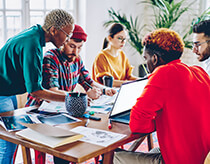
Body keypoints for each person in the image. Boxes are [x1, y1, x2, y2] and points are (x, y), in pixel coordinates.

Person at [114, 28, 210, 164]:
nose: (146, 64)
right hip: (203, 156)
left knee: (113, 156)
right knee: (151, 152)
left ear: (154, 59)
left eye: (146, 58)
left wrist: (158, 120)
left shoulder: (163, 73)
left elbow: (137, 124)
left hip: (181, 160)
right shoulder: (199, 72)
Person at [26, 24, 116, 164]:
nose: (75, 52)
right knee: (65, 145)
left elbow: (88, 81)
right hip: (41, 112)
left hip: (64, 111)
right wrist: (83, 97)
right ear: (63, 41)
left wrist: (105, 90)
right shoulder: (51, 58)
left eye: (79, 48)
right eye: (72, 46)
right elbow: (53, 92)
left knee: (94, 133)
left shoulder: (77, 59)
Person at [0, 9, 75, 164]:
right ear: (54, 30)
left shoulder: (34, 33)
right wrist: (70, 98)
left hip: (7, 89)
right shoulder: (33, 44)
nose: (68, 40)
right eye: (67, 35)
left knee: (13, 139)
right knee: (8, 144)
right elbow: (36, 91)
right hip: (2, 92)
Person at [92, 23, 138, 87]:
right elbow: (108, 83)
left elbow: (129, 76)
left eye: (124, 39)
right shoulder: (101, 56)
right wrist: (129, 83)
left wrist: (140, 80)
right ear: (110, 38)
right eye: (120, 38)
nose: (123, 42)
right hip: (106, 94)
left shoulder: (122, 55)